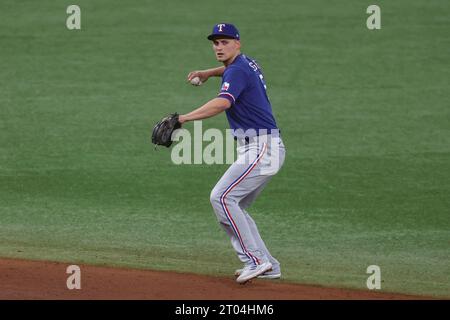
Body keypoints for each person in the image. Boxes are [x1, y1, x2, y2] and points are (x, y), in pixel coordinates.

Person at [179, 23, 286, 283]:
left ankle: (256, 260)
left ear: (237, 43)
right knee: (233, 205)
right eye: (215, 42)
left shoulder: (237, 70)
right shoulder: (246, 64)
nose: (218, 46)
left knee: (222, 198)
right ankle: (268, 264)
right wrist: (208, 72)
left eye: (225, 42)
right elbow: (232, 70)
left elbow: (223, 102)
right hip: (266, 147)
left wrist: (184, 118)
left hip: (261, 148)